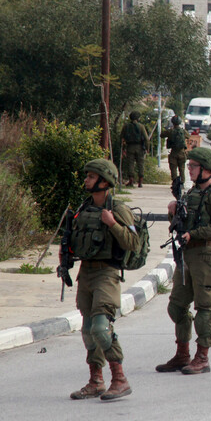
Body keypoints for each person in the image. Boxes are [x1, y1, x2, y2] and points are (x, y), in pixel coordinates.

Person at [67, 159, 138, 401]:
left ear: (104, 181)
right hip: (85, 273)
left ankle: (119, 379)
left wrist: (113, 224)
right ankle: (96, 380)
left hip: (107, 274)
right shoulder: (84, 208)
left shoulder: (118, 210)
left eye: (90, 176)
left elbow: (133, 243)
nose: (86, 180)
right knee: (88, 330)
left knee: (101, 327)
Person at [156, 147, 211, 375]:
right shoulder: (192, 192)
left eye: (193, 166)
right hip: (188, 255)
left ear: (206, 169)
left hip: (206, 257)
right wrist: (174, 212)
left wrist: (194, 234)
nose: (189, 169)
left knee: (204, 308)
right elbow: (184, 220)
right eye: (189, 166)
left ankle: (202, 357)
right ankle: (182, 354)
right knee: (177, 306)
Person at [120, 111, 149, 187]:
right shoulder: (141, 126)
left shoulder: (126, 126)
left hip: (130, 147)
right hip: (139, 147)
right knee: (140, 164)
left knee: (130, 164)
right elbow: (146, 139)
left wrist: (123, 149)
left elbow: (122, 138)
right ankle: (140, 182)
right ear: (138, 118)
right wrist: (147, 148)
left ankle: (131, 180)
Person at [161, 116, 191, 183]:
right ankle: (182, 183)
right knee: (182, 169)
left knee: (173, 169)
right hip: (182, 152)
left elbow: (161, 135)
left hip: (173, 152)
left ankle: (175, 183)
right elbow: (188, 136)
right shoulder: (183, 131)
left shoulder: (170, 131)